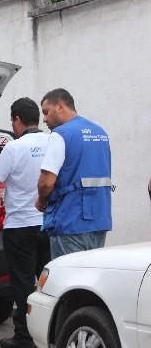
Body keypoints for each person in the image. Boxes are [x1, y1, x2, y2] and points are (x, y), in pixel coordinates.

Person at [0, 98, 50, 348]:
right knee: (49, 281)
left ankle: (24, 337)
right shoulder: (53, 143)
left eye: (12, 121)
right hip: (48, 223)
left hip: (20, 226)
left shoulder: (14, 148)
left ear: (17, 120)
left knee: (23, 282)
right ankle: (51, 331)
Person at [35, 88, 112, 259]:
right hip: (99, 220)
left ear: (60, 106)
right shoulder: (101, 133)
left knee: (68, 280)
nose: (44, 119)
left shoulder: (61, 134)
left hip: (70, 220)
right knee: (91, 278)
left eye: (46, 112)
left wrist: (41, 201)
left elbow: (46, 182)